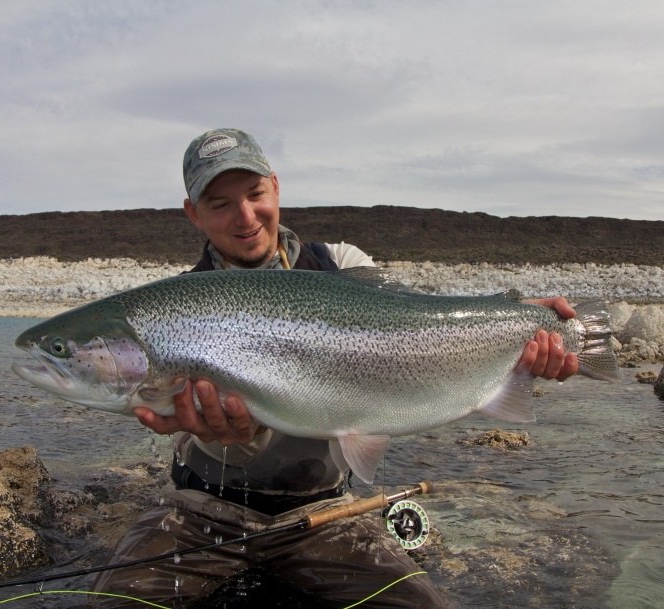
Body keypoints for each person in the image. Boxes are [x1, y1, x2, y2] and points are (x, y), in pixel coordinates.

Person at [91, 128, 578, 608]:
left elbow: (417, 322)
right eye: (220, 204)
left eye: (256, 194)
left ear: (276, 188)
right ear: (193, 214)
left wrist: (516, 323)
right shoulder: (176, 304)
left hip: (324, 511)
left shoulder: (342, 264)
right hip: (202, 510)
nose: (245, 216)